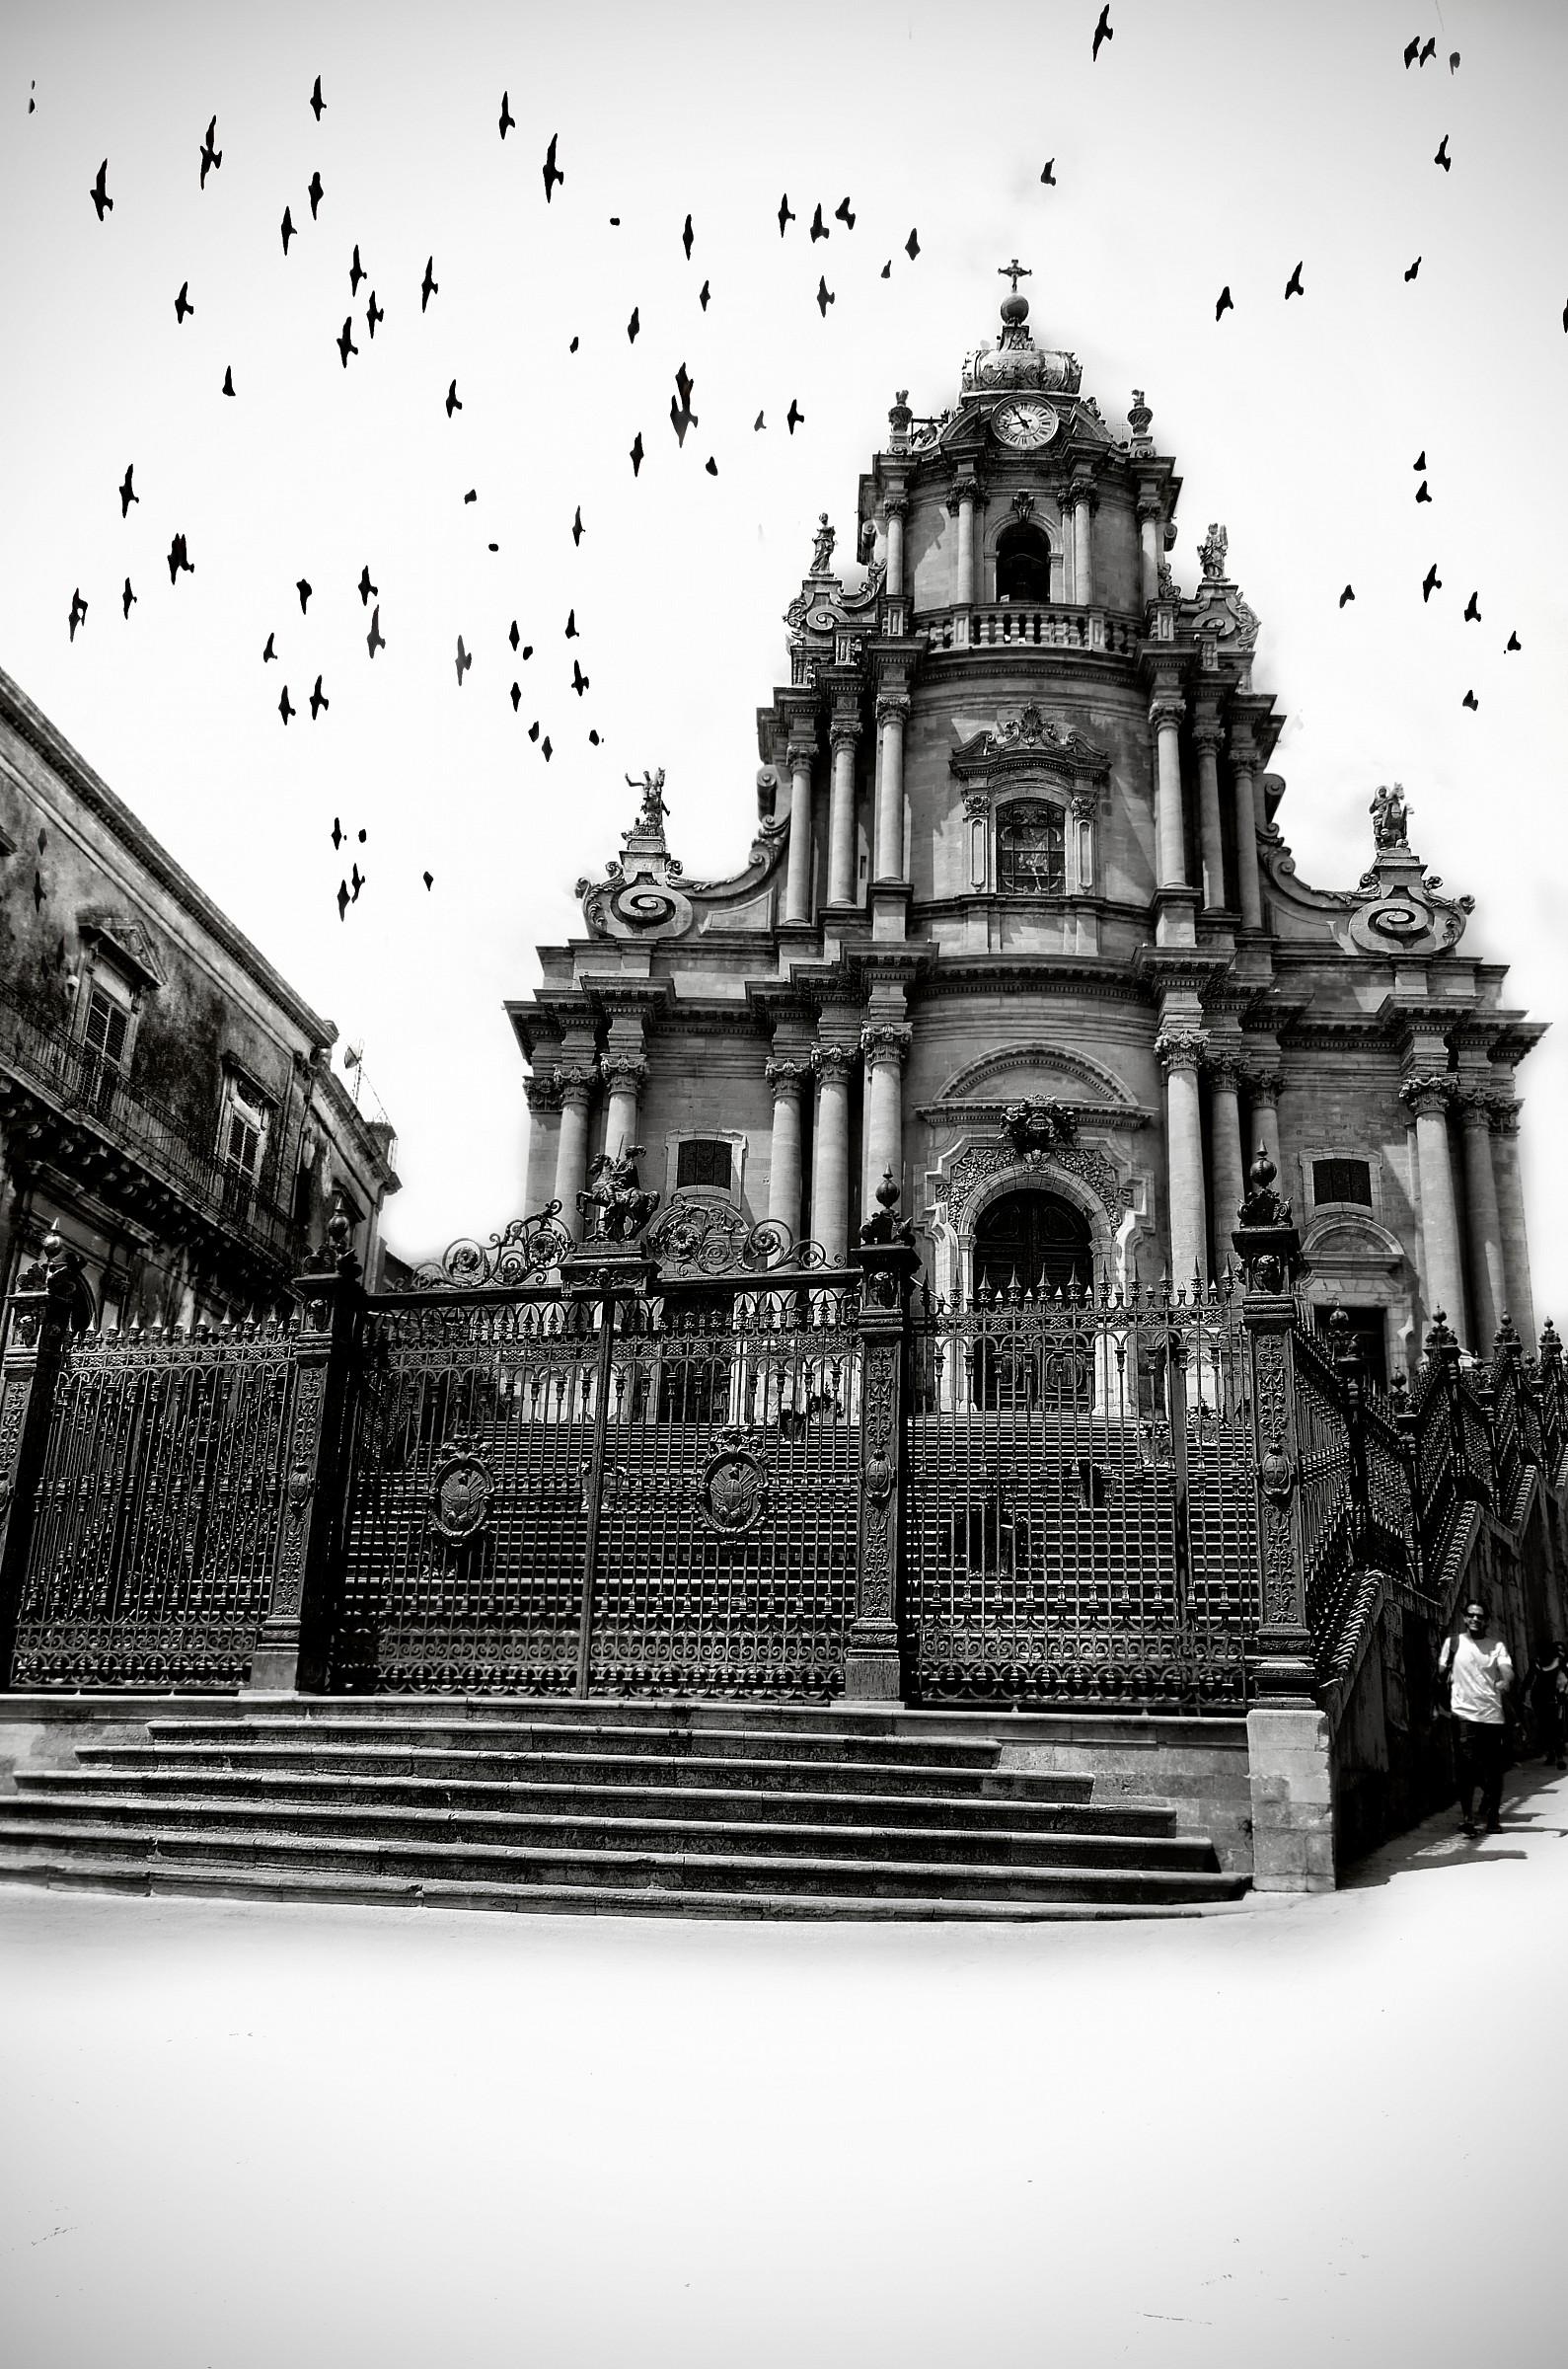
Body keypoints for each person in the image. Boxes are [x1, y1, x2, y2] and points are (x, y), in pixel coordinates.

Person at [1439, 1599, 1515, 1836]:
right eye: (1471, 1615)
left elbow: (1507, 1670)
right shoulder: (1452, 1643)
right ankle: (1468, 1819)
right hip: (1463, 1714)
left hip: (1491, 1715)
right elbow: (1440, 1673)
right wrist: (1446, 1676)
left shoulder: (1496, 1646)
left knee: (1493, 1769)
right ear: (1464, 1617)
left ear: (1486, 1620)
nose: (1475, 1619)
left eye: (1480, 1616)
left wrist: (1505, 1680)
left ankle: (1493, 1818)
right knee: (1465, 1767)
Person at [1522, 1641, 1568, 1772]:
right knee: (1553, 1727)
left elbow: (1527, 1682)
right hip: (1547, 1699)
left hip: (1545, 1699)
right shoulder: (1555, 1662)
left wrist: (1522, 1695)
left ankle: (1554, 1755)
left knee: (1548, 1727)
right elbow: (1527, 1681)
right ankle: (1556, 1756)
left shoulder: (1538, 1663)